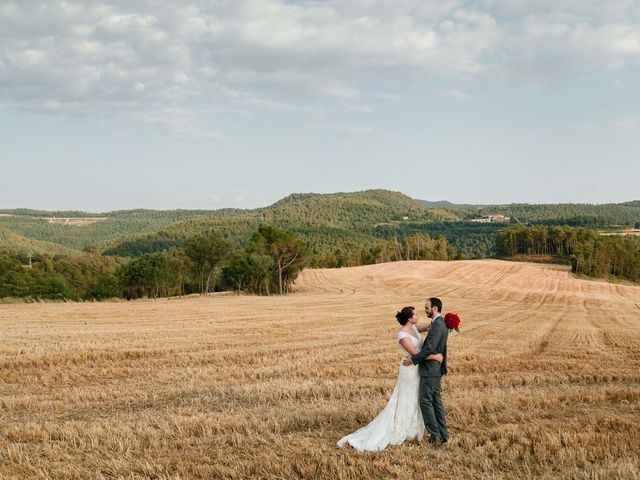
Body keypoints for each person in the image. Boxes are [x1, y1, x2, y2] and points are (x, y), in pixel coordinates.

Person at [337, 306, 443, 451]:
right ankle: (400, 429)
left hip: (418, 367)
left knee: (416, 398)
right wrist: (436, 357)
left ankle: (412, 429)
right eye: (416, 314)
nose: (418, 316)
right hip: (409, 369)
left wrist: (444, 320)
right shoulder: (402, 335)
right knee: (406, 398)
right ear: (409, 318)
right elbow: (415, 354)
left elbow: (434, 324)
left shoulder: (415, 328)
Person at [402, 297, 449, 444]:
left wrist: (413, 360)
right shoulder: (438, 324)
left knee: (425, 401)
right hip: (435, 369)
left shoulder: (438, 326)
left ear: (434, 309)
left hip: (430, 370)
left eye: (427, 308)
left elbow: (428, 348)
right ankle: (443, 433)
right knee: (436, 401)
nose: (425, 310)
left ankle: (436, 435)